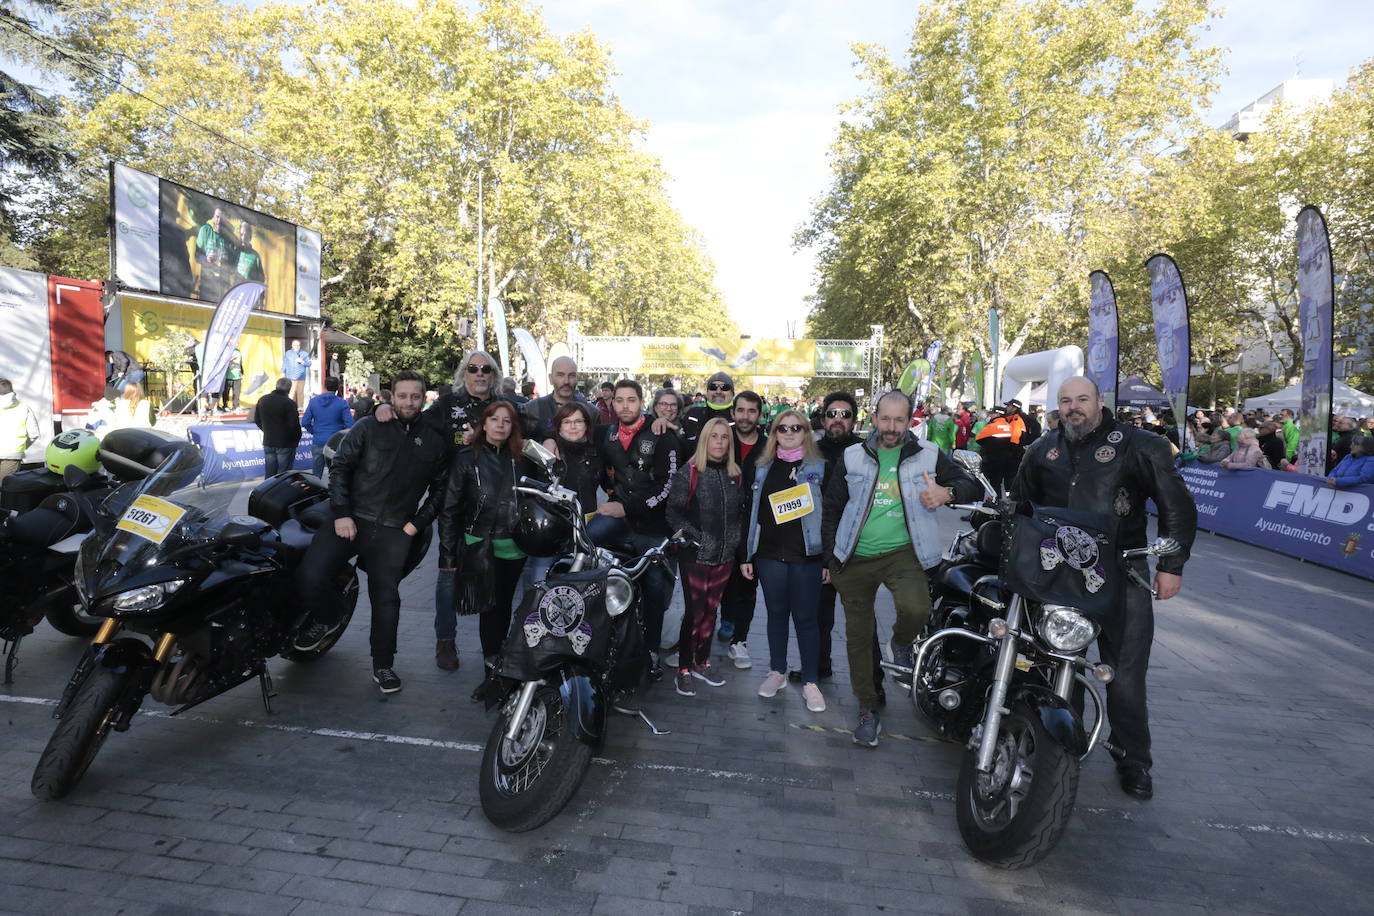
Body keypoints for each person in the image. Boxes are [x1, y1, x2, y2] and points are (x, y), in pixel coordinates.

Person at [1011, 376, 1197, 800]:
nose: (1074, 407)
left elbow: (1177, 506)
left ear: (1099, 402)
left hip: (1123, 573)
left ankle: (1133, 761)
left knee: (1126, 676)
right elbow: (1020, 506)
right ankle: (1062, 747)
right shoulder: (1042, 449)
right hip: (1057, 577)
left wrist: (1171, 565)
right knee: (1056, 665)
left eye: (1082, 399)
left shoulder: (1139, 444)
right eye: (1066, 400)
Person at [822, 390, 981, 748]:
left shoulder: (928, 454)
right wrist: (831, 558)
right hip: (854, 557)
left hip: (903, 554)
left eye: (900, 420)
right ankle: (867, 707)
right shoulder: (852, 455)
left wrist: (947, 494)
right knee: (859, 639)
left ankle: (901, 641)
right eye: (885, 419)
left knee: (917, 609)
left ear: (911, 421)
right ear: (874, 418)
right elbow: (832, 507)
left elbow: (971, 486)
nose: (892, 428)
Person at [293, 371, 449, 695]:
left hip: (395, 529)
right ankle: (329, 617)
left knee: (386, 599)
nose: (408, 402)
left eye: (415, 396)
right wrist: (341, 514)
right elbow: (341, 469)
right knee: (309, 576)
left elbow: (441, 490)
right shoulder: (369, 426)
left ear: (424, 398)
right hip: (351, 520)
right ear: (391, 396)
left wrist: (415, 525)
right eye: (402, 395)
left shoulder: (434, 438)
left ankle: (383, 665)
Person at [594, 379, 681, 702]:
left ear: (642, 402)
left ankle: (652, 650)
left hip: (652, 526)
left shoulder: (662, 435)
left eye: (632, 399)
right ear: (612, 403)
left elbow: (667, 488)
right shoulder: (607, 434)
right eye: (619, 400)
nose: (625, 405)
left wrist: (624, 506)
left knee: (654, 585)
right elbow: (599, 469)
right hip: (618, 518)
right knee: (584, 549)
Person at [438, 400, 529, 699]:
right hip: (480, 544)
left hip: (514, 546)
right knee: (489, 609)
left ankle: (502, 666)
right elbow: (450, 509)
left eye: (507, 420)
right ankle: (493, 673)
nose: (501, 425)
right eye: (495, 419)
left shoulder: (522, 458)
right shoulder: (466, 458)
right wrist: (449, 553)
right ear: (484, 423)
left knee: (503, 607)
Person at [741, 409, 829, 713]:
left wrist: (828, 560)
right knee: (776, 615)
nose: (789, 432)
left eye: (796, 427)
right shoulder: (762, 467)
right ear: (774, 432)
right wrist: (747, 553)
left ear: (806, 432)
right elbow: (751, 513)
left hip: (807, 556)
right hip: (769, 556)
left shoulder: (819, 467)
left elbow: (830, 516)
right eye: (782, 428)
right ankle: (776, 671)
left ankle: (810, 681)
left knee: (806, 619)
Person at [799, 391, 884, 698]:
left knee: (862, 623)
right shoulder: (811, 451)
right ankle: (817, 667)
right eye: (832, 413)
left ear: (855, 420)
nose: (838, 419)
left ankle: (875, 683)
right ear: (823, 418)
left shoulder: (866, 453)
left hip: (856, 553)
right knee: (817, 616)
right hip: (818, 549)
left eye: (845, 414)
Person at [665, 418, 746, 698]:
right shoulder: (690, 472)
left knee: (711, 612)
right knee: (695, 613)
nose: (720, 442)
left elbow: (740, 514)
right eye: (714, 437)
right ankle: (684, 669)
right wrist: (696, 537)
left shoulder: (735, 473)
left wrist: (734, 542)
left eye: (724, 437)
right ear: (704, 440)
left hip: (725, 556)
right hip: (696, 556)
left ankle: (703, 662)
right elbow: (673, 513)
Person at [525, 401, 603, 587]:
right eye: (567, 422)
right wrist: (549, 438)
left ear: (587, 424)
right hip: (550, 531)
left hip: (584, 531)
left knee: (580, 590)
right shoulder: (546, 451)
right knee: (539, 588)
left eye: (579, 421)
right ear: (559, 425)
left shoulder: (596, 451)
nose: (574, 426)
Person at [717, 391, 767, 668]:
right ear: (733, 412)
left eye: (751, 411)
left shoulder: (769, 445)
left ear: (759, 415)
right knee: (721, 580)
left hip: (754, 528)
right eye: (741, 410)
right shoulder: (722, 439)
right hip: (721, 525)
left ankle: (740, 640)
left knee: (747, 583)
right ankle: (723, 620)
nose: (745, 416)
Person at [521, 356, 591, 442]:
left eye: (571, 375)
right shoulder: (531, 410)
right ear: (550, 378)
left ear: (577, 378)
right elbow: (517, 443)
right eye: (560, 375)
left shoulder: (591, 411)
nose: (566, 381)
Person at [974, 400, 1031, 495]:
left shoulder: (1013, 421)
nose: (1007, 408)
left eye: (1008, 406)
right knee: (997, 483)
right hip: (1004, 459)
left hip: (994, 459)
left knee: (982, 482)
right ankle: (999, 502)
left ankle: (980, 504)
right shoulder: (1009, 424)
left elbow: (978, 439)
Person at [302, 377, 354, 478]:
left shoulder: (313, 401)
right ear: (338, 387)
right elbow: (350, 425)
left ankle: (316, 492)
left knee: (316, 475)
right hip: (335, 443)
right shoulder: (342, 403)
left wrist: (314, 431)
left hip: (318, 440)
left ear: (324, 386)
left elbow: (305, 422)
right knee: (335, 474)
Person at [255, 377, 302, 477]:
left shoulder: (263, 400)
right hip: (285, 443)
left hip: (269, 440)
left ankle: (267, 491)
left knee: (270, 474)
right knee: (284, 475)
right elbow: (294, 425)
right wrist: (296, 439)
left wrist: (267, 430)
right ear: (289, 389)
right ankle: (282, 492)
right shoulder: (289, 403)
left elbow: (257, 419)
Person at [0, 379, 41, 482]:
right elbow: (34, 434)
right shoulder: (24, 407)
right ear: (12, 391)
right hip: (13, 454)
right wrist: (23, 446)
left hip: (13, 454)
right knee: (5, 488)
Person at [678, 371, 735, 442]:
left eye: (725, 387)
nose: (718, 391)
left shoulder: (740, 418)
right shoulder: (693, 414)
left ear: (732, 394)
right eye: (713, 387)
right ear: (707, 393)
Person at [195, 207, 235, 301]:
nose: (219, 221)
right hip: (208, 282)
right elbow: (197, 255)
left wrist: (227, 263)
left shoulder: (229, 236)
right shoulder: (205, 230)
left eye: (222, 218)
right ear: (213, 216)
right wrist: (206, 259)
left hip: (223, 285)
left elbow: (233, 265)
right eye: (217, 217)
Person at [283, 339, 312, 409]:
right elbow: (285, 363)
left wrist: (302, 361)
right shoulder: (288, 353)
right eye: (294, 345)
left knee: (300, 393)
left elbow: (309, 363)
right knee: (291, 393)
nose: (296, 346)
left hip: (301, 377)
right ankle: (290, 408)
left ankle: (300, 408)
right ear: (292, 346)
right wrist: (283, 372)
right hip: (291, 376)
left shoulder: (304, 353)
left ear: (300, 346)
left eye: (298, 345)